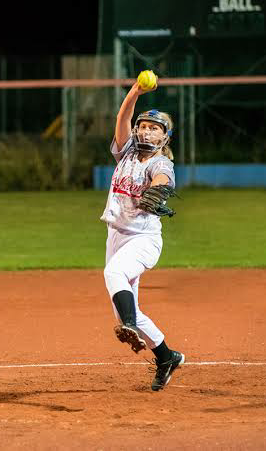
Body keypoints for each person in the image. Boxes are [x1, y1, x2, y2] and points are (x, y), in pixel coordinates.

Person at [100, 78, 185, 391]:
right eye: (143, 126)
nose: (145, 131)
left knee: (114, 274)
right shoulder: (125, 153)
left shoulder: (160, 161)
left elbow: (163, 177)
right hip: (117, 237)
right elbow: (122, 119)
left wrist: (158, 187)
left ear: (165, 136)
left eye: (154, 128)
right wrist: (135, 92)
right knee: (122, 300)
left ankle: (129, 325)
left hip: (144, 240)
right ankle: (166, 356)